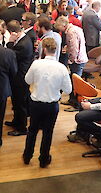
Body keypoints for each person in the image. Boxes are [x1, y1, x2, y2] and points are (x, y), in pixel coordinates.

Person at [23, 38, 72, 168]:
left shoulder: (36, 64)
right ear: (55, 50)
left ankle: (27, 156)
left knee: (32, 130)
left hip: (36, 104)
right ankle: (44, 159)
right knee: (48, 132)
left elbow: (27, 80)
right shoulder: (61, 68)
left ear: (44, 49)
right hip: (52, 105)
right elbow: (68, 89)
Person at [5, 20, 34, 136]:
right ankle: (16, 121)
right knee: (16, 101)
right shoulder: (23, 39)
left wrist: (10, 43)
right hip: (18, 76)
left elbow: (10, 55)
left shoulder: (23, 44)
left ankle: (22, 128)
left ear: (13, 33)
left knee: (20, 103)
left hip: (21, 77)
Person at [54, 16, 88, 110]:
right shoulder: (75, 28)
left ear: (63, 25)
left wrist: (71, 60)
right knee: (74, 81)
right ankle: (72, 100)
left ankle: (77, 105)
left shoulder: (70, 32)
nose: (59, 30)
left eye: (59, 27)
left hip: (77, 60)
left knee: (76, 83)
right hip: (81, 58)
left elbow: (74, 48)